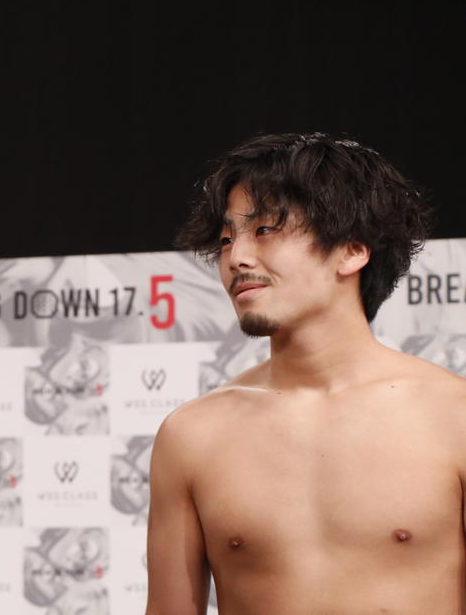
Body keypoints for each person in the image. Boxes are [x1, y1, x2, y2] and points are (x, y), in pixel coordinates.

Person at [145, 132, 458, 613]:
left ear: (352, 250)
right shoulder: (192, 435)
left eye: (265, 230)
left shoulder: (454, 418)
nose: (236, 257)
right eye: (227, 239)